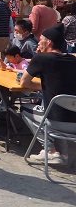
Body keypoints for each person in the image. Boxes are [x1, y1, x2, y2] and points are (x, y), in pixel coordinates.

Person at [20, 23, 76, 165]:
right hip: (74, 123)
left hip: (56, 123)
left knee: (25, 108)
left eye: (41, 39)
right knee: (56, 108)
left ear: (48, 42)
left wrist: (43, 85)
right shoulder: (72, 60)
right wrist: (46, 85)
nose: (38, 42)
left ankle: (50, 150)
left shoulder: (41, 59)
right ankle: (62, 153)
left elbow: (24, 83)